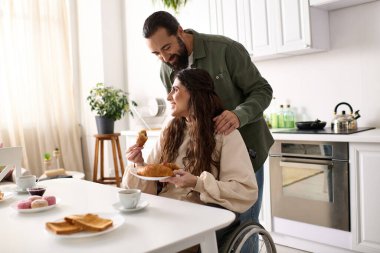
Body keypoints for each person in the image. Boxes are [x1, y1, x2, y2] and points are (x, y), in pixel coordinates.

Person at [142, 10, 274, 252]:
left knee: (241, 224)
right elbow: (178, 108)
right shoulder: (166, 67)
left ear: (180, 31)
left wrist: (237, 115)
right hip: (202, 153)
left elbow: (262, 90)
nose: (164, 57)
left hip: (242, 144)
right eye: (156, 53)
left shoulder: (225, 50)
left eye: (167, 47)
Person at [123, 68, 258, 251]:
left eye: (175, 90)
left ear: (195, 94)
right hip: (163, 212)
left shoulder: (224, 134)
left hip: (197, 220)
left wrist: (197, 183)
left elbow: (245, 190)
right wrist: (139, 163)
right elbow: (147, 183)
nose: (169, 96)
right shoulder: (170, 128)